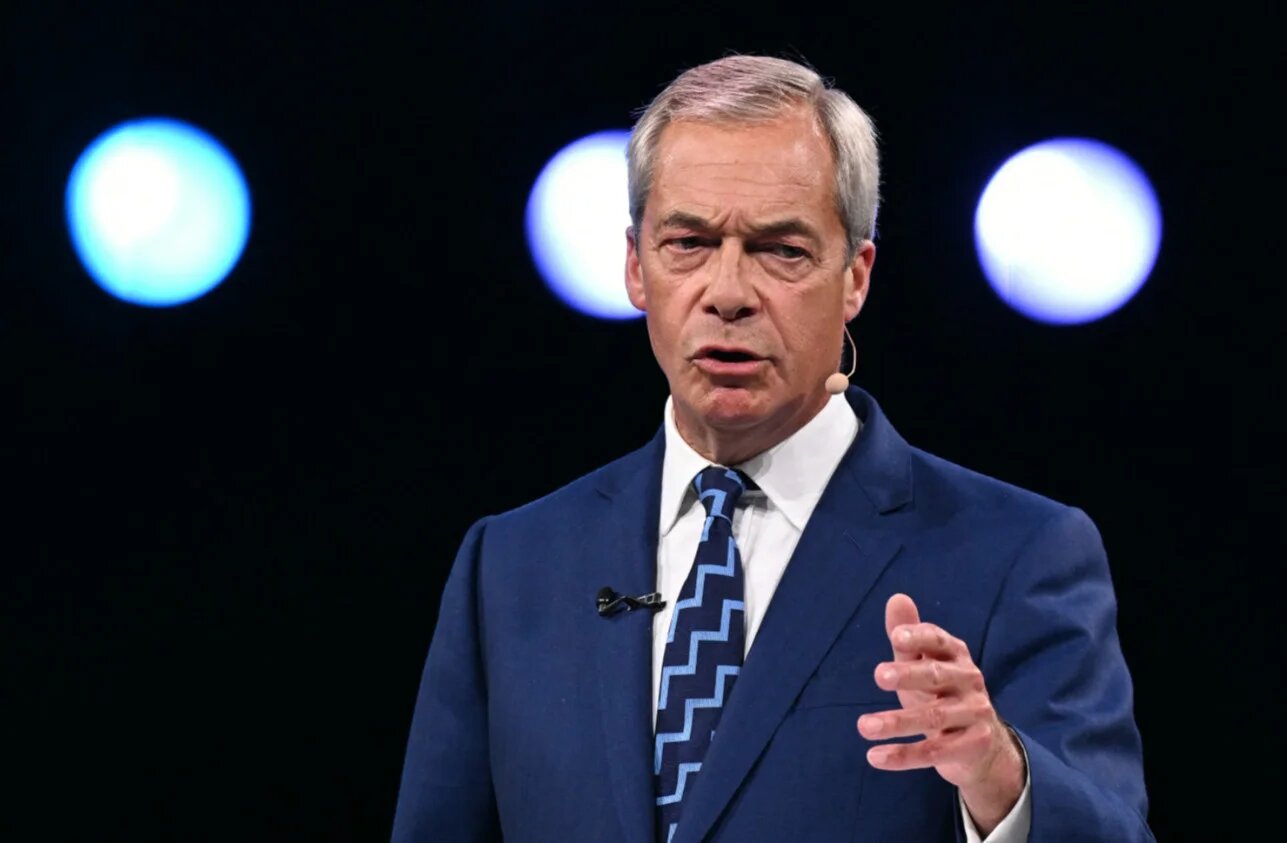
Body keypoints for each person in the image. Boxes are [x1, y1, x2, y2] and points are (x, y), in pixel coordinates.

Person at [392, 54, 1152, 843]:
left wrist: (1000, 777)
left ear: (855, 275)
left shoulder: (1017, 554)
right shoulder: (510, 565)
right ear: (634, 265)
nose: (727, 292)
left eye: (780, 250)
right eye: (688, 241)